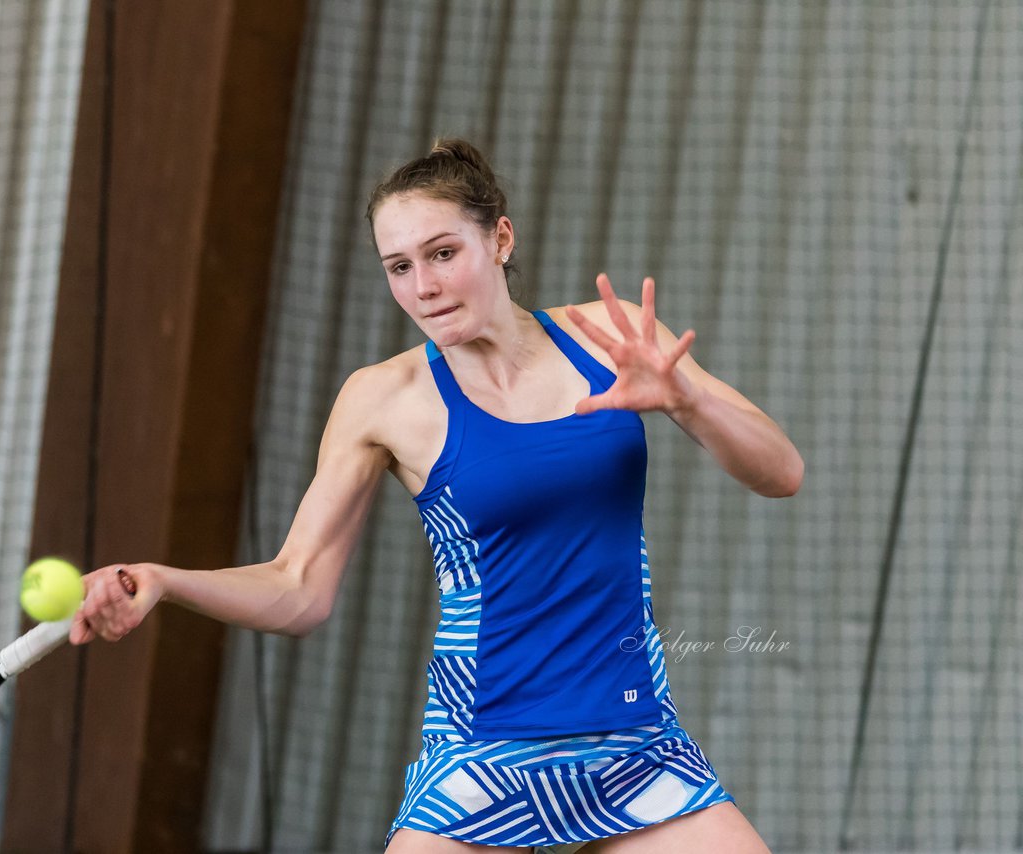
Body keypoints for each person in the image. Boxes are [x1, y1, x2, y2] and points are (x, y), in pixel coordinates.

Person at [71, 139, 802, 853]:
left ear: (501, 239)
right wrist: (164, 582)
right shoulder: (384, 399)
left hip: (638, 746)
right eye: (399, 266)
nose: (423, 286)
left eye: (443, 253)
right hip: (483, 758)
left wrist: (686, 403)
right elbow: (299, 589)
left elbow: (781, 473)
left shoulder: (612, 338)